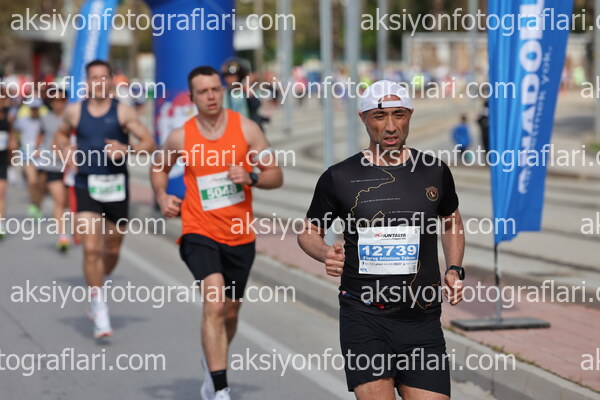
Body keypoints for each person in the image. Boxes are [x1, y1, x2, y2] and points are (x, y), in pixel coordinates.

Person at [298, 80, 465, 400]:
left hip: (421, 318)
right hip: (364, 316)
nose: (390, 126)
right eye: (380, 116)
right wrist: (325, 253)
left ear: (409, 115)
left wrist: (454, 269)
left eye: (398, 114)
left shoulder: (434, 171)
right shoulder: (339, 176)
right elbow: (308, 231)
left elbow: (450, 221)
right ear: (363, 118)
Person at [151, 65, 283, 400]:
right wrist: (162, 195)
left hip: (240, 234)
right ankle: (220, 387)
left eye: (215, 89)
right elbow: (159, 167)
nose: (210, 96)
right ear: (192, 97)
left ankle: (213, 359)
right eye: (203, 91)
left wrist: (252, 177)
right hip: (199, 230)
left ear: (221, 91)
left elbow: (275, 174)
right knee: (214, 301)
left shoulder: (248, 129)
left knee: (230, 311)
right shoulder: (181, 136)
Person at [54, 59, 155, 339]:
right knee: (90, 249)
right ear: (86, 82)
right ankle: (99, 306)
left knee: (111, 248)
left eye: (103, 77)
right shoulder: (74, 112)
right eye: (93, 78)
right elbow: (59, 137)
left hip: (116, 188)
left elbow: (150, 144)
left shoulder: (123, 112)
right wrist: (65, 151)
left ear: (111, 81)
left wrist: (127, 149)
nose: (98, 83)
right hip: (86, 185)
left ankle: (102, 281)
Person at [36, 89, 69, 251]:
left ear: (66, 101)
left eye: (61, 100)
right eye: (55, 100)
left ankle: (76, 231)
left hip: (70, 165)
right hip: (52, 163)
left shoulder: (71, 117)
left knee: (67, 202)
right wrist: (37, 149)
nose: (58, 103)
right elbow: (41, 136)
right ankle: (62, 236)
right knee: (59, 200)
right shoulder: (45, 118)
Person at [13, 98, 44, 218]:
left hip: (42, 155)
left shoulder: (43, 121)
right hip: (27, 155)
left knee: (41, 184)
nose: (34, 111)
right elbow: (12, 130)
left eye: (36, 108)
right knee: (32, 181)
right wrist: (15, 144)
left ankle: (38, 204)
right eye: (32, 108)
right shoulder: (22, 121)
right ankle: (33, 204)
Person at [0, 87, 16, 239]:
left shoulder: (8, 116)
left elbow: (12, 137)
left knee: (1, 192)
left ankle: (0, 223)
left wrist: (12, 152)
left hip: (2, 159)